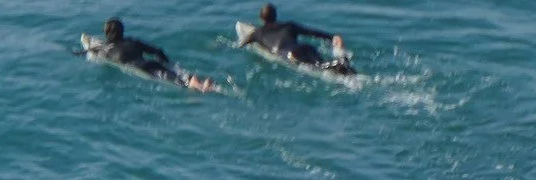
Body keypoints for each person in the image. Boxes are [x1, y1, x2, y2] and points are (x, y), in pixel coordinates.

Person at [91, 18, 219, 92]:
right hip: (151, 63)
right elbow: (158, 51)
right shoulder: (133, 41)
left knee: (180, 83)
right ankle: (195, 80)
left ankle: (197, 86)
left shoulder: (104, 49)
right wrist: (167, 63)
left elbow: (91, 53)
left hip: (141, 69)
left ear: (107, 33)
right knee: (175, 75)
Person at [246, 4, 350, 70]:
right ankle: (341, 62)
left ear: (261, 18)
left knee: (319, 68)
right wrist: (332, 37)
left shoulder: (257, 33)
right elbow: (311, 32)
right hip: (306, 48)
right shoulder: (290, 25)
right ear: (275, 16)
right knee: (321, 64)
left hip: (292, 55)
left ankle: (338, 64)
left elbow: (241, 44)